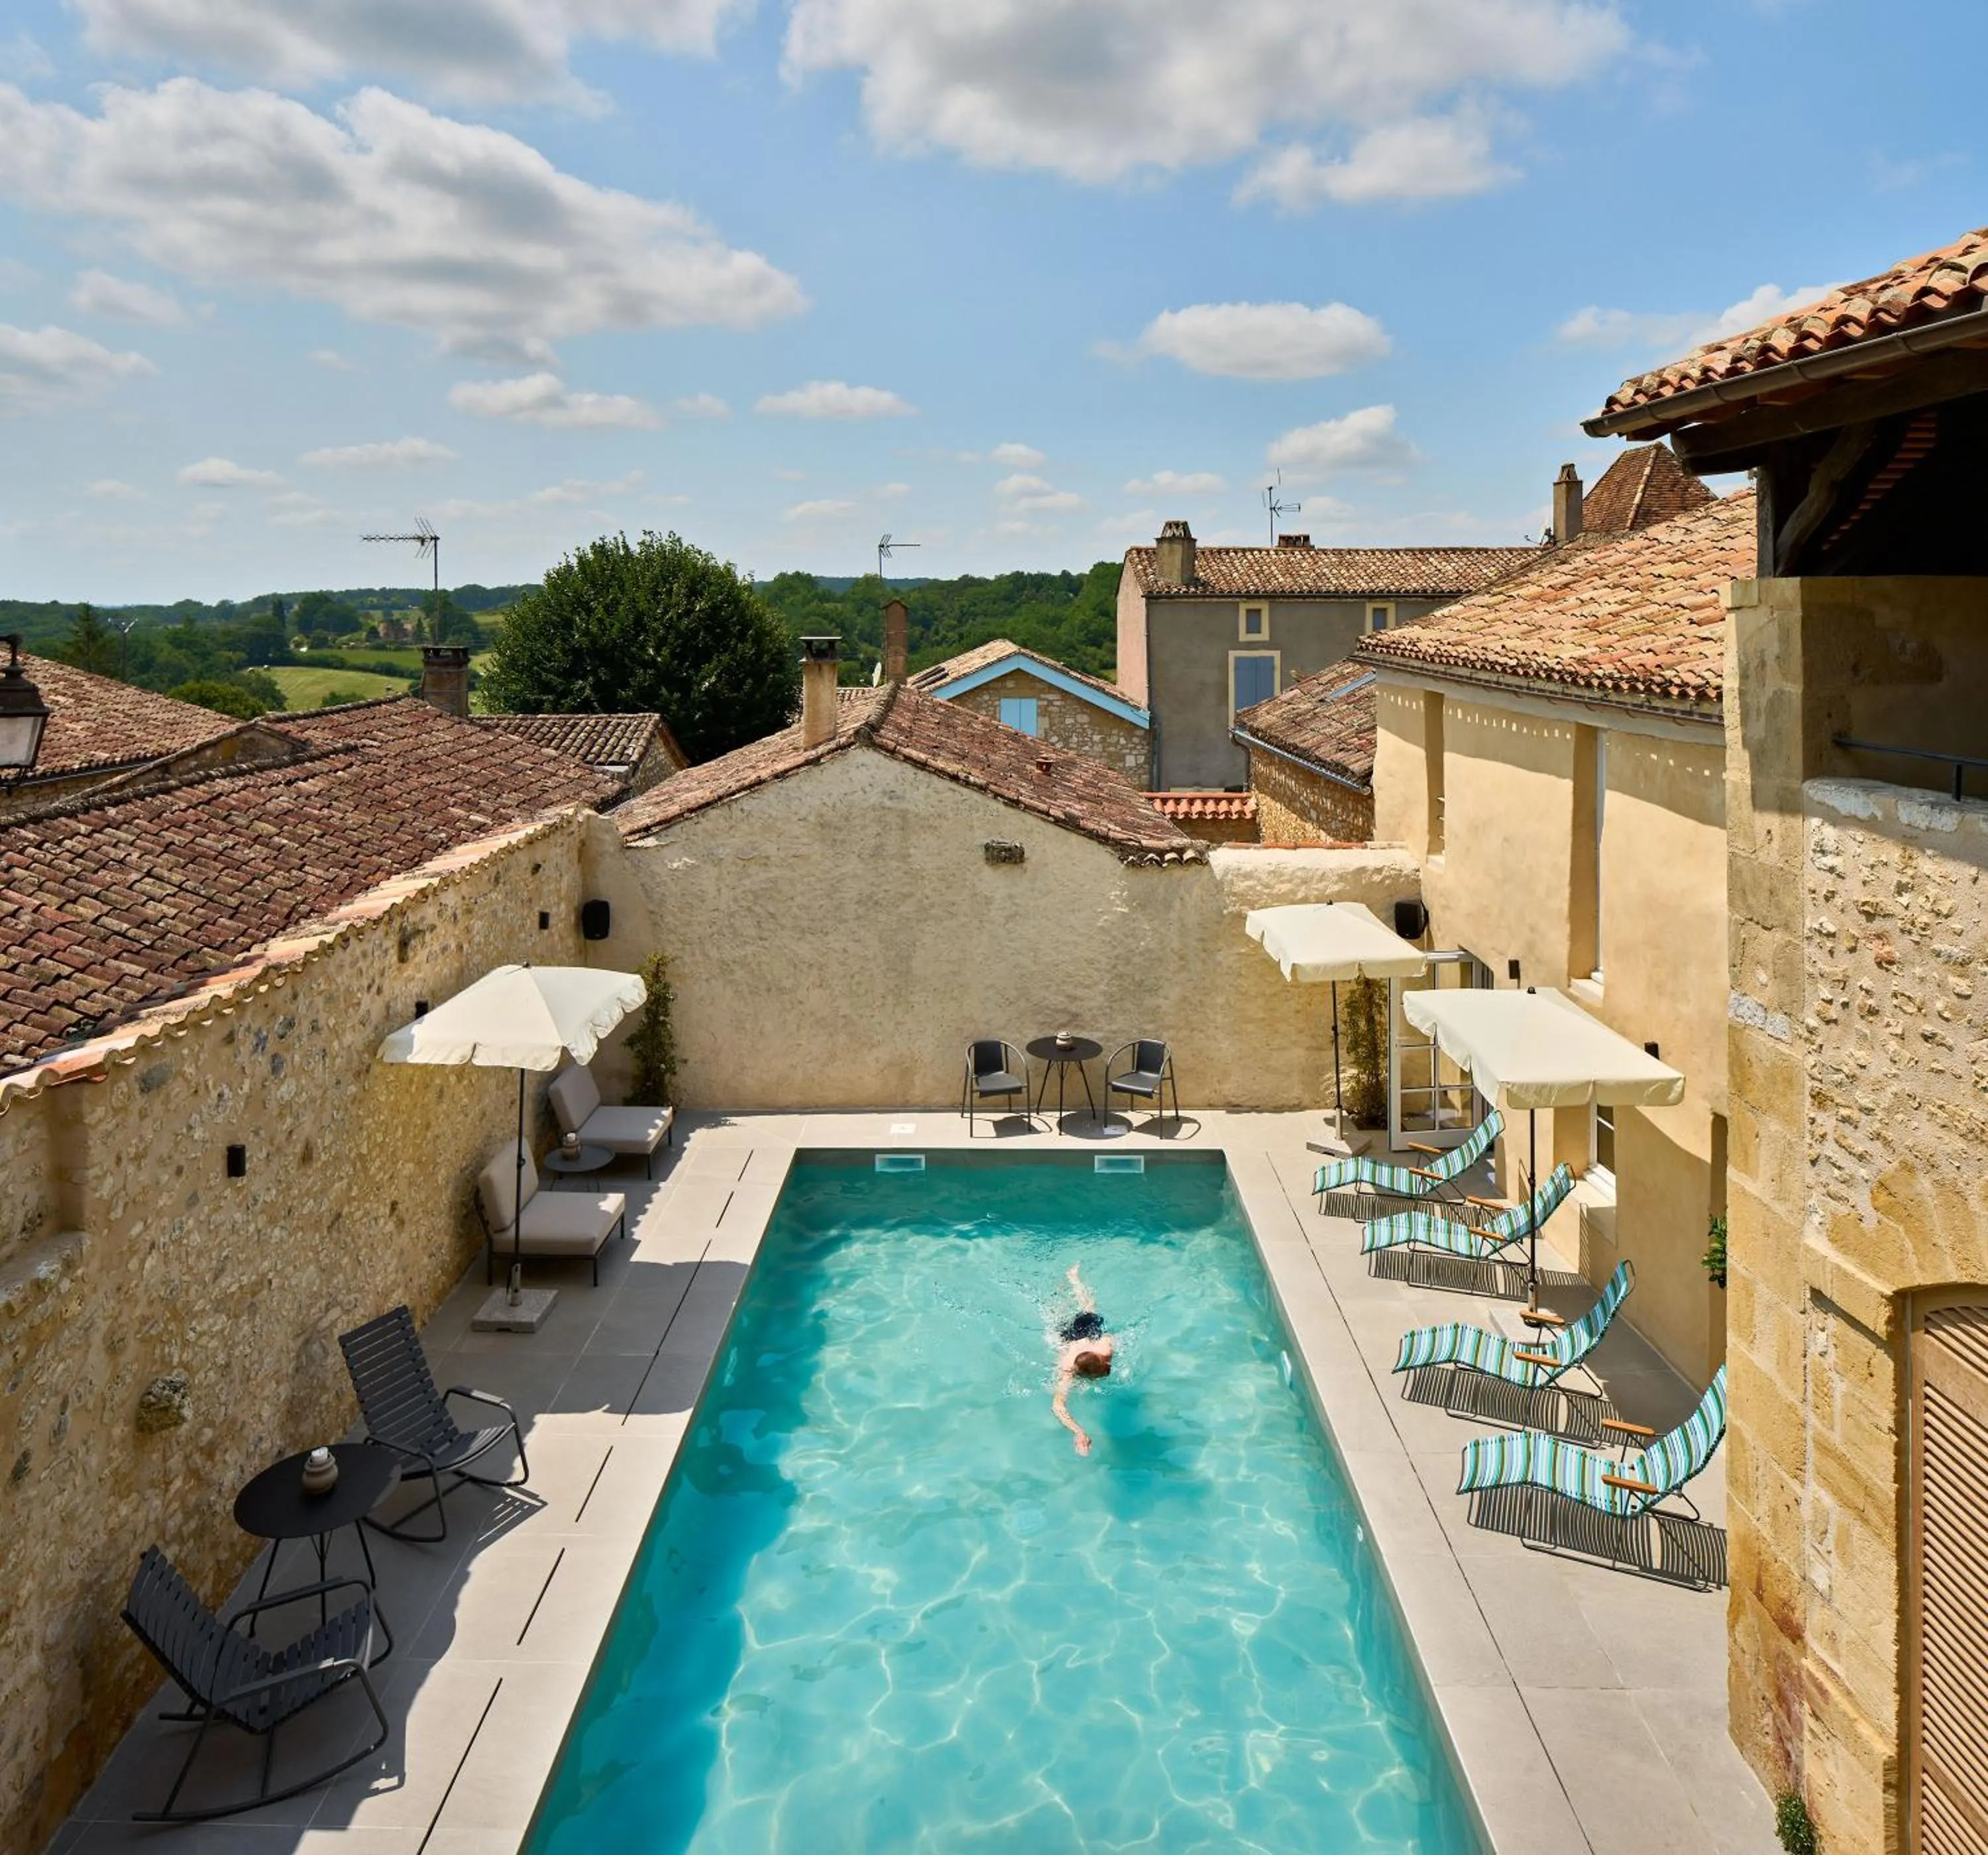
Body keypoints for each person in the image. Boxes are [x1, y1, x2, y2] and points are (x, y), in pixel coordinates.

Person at [1051, 1263, 1114, 1456]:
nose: (1108, 1367)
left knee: (1090, 1307)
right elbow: (1057, 1406)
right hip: (1070, 1339)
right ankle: (1070, 1280)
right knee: (1082, 1310)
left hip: (1085, 1336)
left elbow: (1058, 1406)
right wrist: (1078, 1432)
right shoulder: (1068, 1369)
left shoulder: (1106, 1348)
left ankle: (1073, 1279)